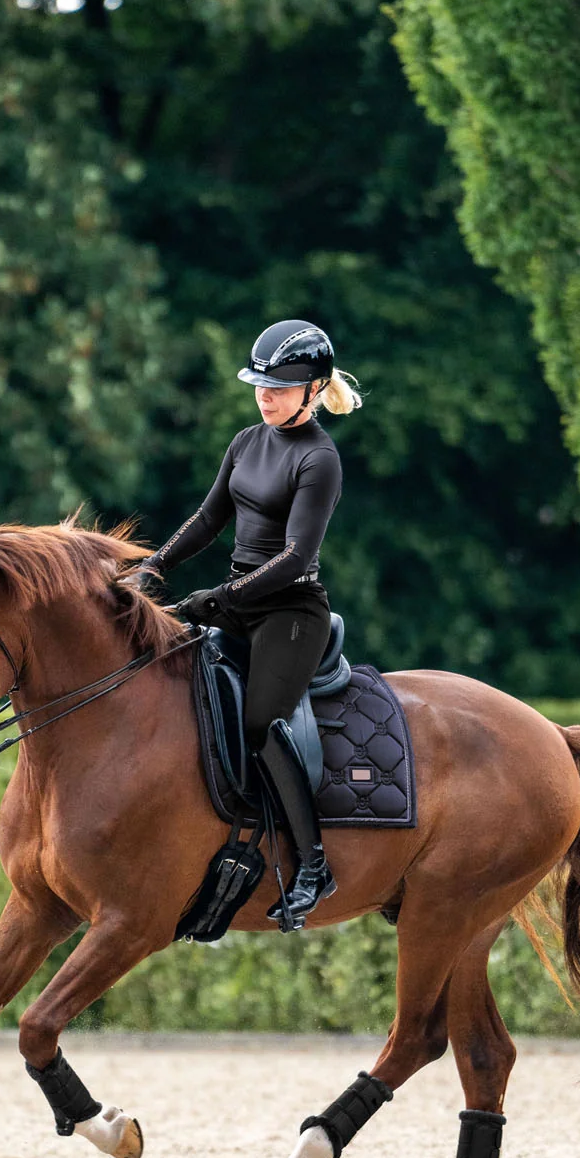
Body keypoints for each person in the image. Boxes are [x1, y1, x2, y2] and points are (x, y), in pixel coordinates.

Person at [134, 319, 361, 929]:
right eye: (260, 384)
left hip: (290, 610)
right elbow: (209, 519)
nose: (265, 395)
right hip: (235, 599)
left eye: (280, 387)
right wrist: (152, 568)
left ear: (313, 389)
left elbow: (293, 558)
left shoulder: (320, 458)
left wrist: (218, 598)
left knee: (260, 722)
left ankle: (314, 866)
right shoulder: (245, 441)